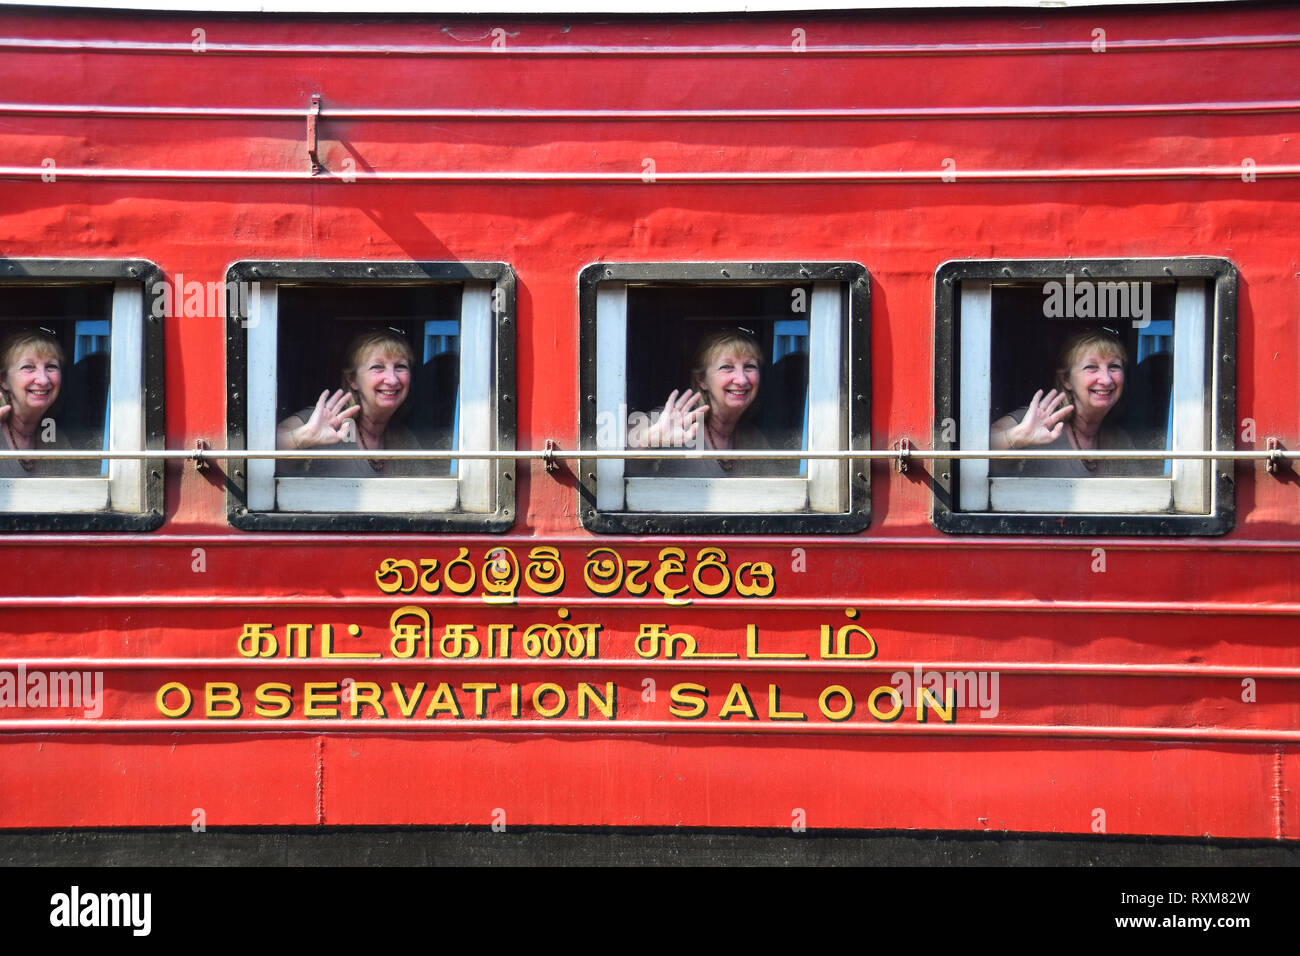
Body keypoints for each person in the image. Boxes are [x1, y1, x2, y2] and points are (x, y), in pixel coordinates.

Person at [276, 329, 426, 476]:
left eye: (400, 367)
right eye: (377, 367)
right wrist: (303, 436)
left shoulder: (404, 439)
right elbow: (260, 447)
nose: (392, 380)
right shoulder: (321, 421)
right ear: (352, 380)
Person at [627, 329, 774, 476]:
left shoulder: (754, 439)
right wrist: (649, 440)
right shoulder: (667, 421)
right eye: (727, 367)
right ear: (702, 380)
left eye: (750, 367)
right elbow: (612, 457)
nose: (742, 380)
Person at [990, 329, 1135, 477]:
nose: (1106, 379)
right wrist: (1017, 436)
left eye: (1114, 367)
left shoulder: (1119, 440)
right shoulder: (1035, 420)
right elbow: (974, 446)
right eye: (1091, 367)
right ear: (1066, 379)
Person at [0, 329, 82, 477]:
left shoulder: (55, 440)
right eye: (28, 367)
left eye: (51, 367)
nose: (43, 380)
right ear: (3, 380)